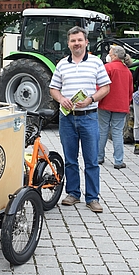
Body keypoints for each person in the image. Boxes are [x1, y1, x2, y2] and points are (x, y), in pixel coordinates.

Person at [49, 26, 111, 213]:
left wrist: (91, 99)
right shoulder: (61, 64)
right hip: (67, 118)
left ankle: (92, 198)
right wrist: (61, 99)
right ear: (68, 44)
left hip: (89, 117)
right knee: (70, 159)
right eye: (73, 40)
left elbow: (106, 87)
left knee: (91, 160)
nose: (76, 43)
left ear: (86, 42)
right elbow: (53, 88)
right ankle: (73, 193)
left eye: (79, 40)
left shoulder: (95, 63)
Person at [98, 45, 133, 169]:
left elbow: (101, 86)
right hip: (121, 106)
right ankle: (118, 161)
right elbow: (130, 91)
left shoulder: (107, 68)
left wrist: (97, 100)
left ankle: (99, 157)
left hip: (105, 104)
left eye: (110, 53)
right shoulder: (127, 71)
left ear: (114, 56)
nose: (108, 55)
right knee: (117, 133)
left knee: (102, 131)